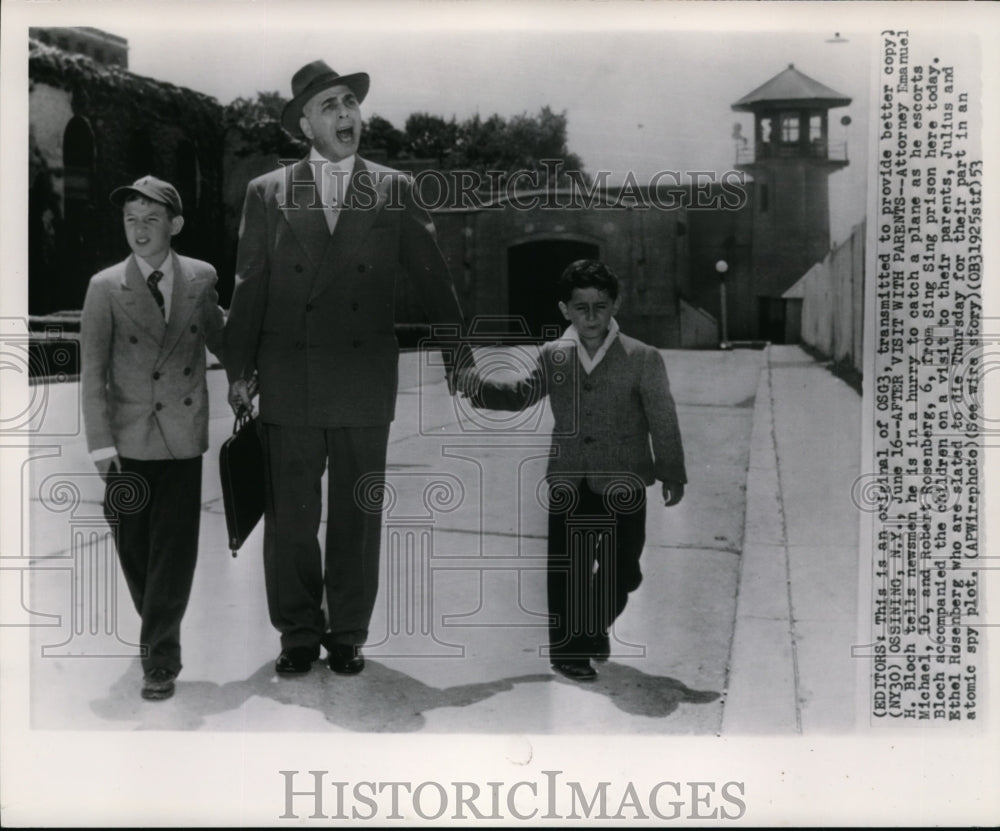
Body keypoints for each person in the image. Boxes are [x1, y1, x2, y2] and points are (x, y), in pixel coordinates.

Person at [224, 60, 468, 677]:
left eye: (350, 104)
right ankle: (299, 632)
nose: (345, 115)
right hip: (290, 377)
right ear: (304, 123)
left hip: (363, 379)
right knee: (292, 519)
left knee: (359, 516)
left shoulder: (393, 188)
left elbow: (434, 279)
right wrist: (237, 370)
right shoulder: (268, 191)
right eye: (329, 106)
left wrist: (458, 357)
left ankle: (348, 632)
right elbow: (250, 286)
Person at [458, 259, 686, 681]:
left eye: (600, 305)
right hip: (569, 478)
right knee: (571, 570)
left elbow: (663, 416)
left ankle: (593, 624)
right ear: (565, 310)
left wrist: (671, 470)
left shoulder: (643, 357)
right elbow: (521, 393)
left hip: (624, 481)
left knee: (624, 569)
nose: (592, 316)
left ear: (615, 304)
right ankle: (570, 649)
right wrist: (477, 384)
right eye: (581, 307)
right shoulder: (554, 355)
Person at [80, 175, 225, 701]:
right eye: (130, 220)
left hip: (182, 441)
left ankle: (160, 659)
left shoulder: (201, 278)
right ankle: (157, 628)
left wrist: (247, 378)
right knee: (134, 549)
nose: (139, 232)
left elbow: (222, 336)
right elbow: (91, 373)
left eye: (151, 220)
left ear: (175, 225)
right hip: (125, 445)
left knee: (173, 553)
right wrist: (100, 447)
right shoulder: (104, 287)